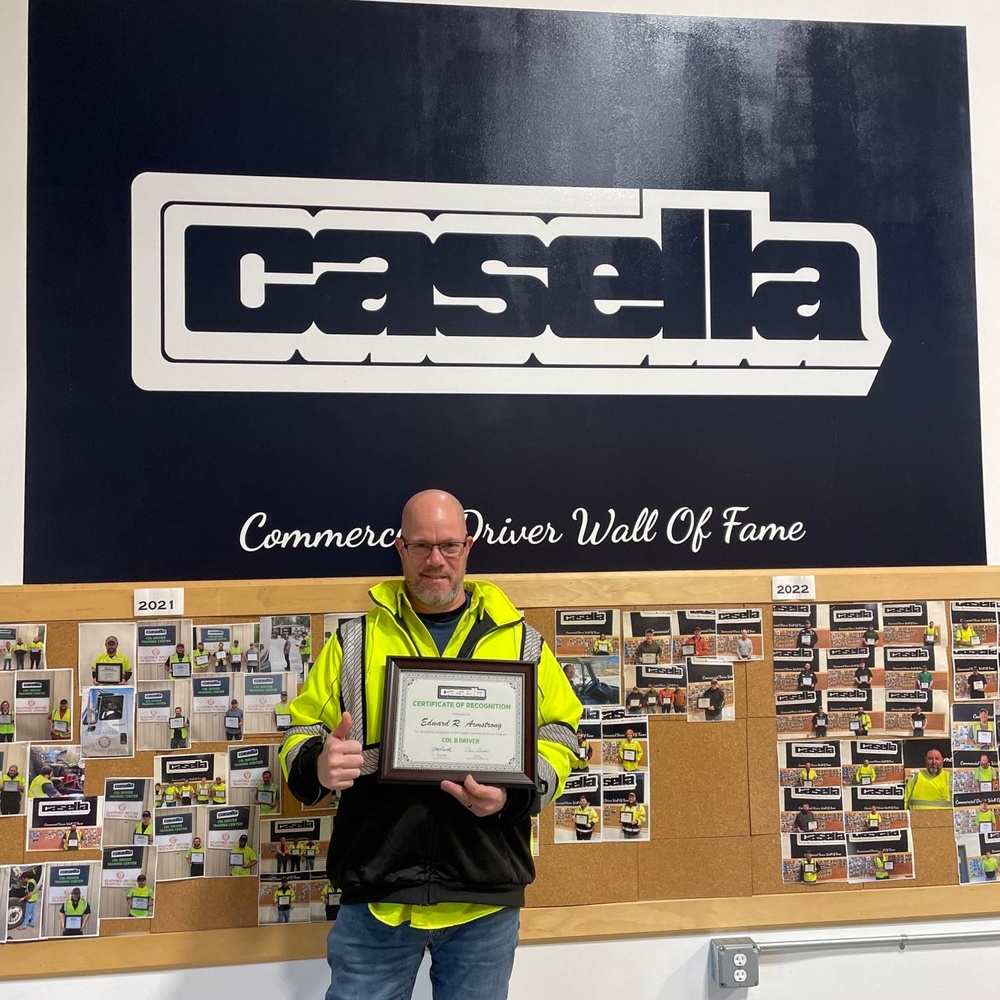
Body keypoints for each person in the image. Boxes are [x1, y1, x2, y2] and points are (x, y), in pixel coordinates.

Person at [278, 490, 581, 1000]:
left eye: (447, 546)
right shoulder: (354, 641)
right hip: (377, 892)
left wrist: (513, 797)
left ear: (468, 547)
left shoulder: (524, 642)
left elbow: (560, 735)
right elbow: (300, 733)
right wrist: (319, 764)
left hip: (483, 894)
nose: (434, 560)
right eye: (420, 546)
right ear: (400, 549)